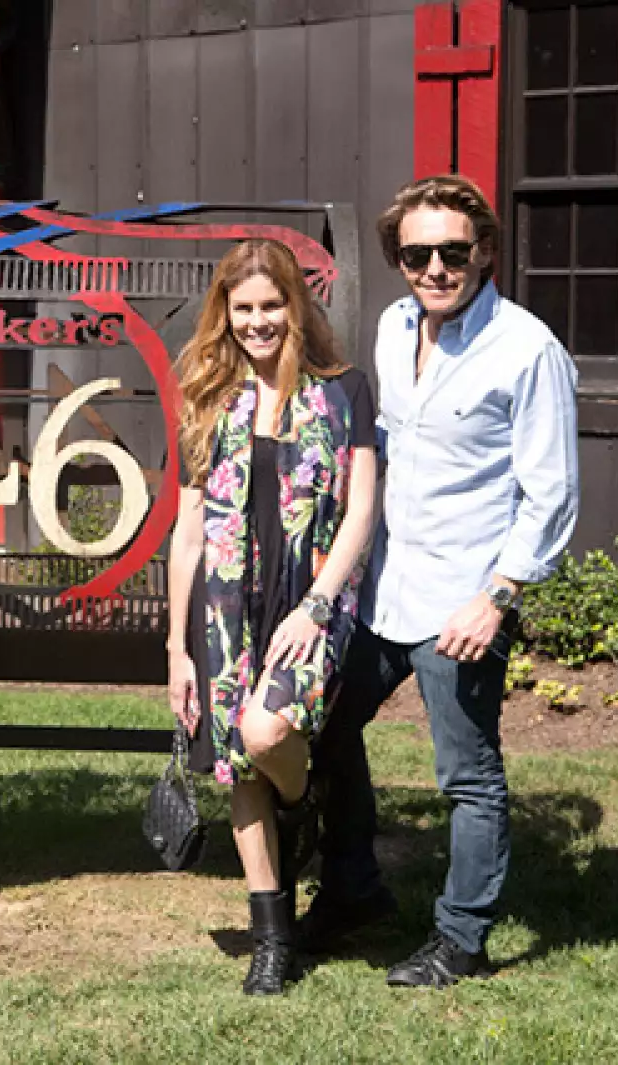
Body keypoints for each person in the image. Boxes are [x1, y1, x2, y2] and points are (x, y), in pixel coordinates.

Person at [304, 174, 579, 988]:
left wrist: (498, 597)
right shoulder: (393, 327)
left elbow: (552, 491)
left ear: (485, 251)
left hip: (461, 601)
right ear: (397, 259)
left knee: (467, 774)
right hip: (383, 588)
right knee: (322, 725)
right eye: (416, 253)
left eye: (453, 251)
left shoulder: (527, 350)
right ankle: (354, 887)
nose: (434, 268)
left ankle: (461, 937)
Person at [165, 240, 380, 995]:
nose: (258, 321)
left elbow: (360, 513)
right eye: (243, 307)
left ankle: (308, 798)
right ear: (225, 313)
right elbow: (188, 531)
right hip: (224, 611)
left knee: (264, 735)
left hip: (311, 602)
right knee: (239, 768)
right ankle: (272, 940)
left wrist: (318, 605)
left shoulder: (343, 390)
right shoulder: (207, 399)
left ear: (296, 307)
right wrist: (176, 651)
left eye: (271, 305)